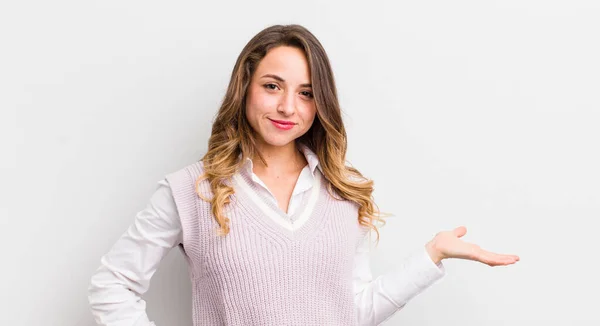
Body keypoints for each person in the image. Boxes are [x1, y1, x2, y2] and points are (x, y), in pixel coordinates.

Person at [88, 24, 519, 326]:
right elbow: (112, 285)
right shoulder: (192, 191)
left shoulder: (342, 194)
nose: (287, 108)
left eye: (306, 93)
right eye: (272, 86)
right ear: (245, 88)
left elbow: (352, 312)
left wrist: (432, 256)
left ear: (319, 105)